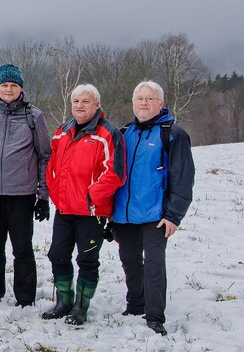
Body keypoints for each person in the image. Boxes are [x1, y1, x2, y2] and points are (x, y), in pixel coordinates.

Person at [112, 81, 195, 336]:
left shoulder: (172, 134)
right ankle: (135, 304)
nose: (144, 103)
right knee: (129, 261)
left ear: (161, 103)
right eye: (139, 99)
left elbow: (183, 178)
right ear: (133, 103)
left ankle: (155, 315)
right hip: (125, 214)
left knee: (155, 264)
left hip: (156, 216)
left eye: (150, 99)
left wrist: (173, 216)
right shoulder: (124, 132)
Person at [0, 64, 51, 312]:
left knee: (22, 247)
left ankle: (25, 297)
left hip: (22, 194)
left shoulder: (33, 116)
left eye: (14, 85)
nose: (9, 89)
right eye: (4, 85)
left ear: (21, 88)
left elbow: (44, 156)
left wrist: (43, 196)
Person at [43, 84, 126, 325]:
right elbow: (52, 166)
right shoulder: (62, 131)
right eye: (76, 101)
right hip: (64, 208)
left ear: (97, 105)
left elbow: (115, 173)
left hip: (91, 212)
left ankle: (81, 306)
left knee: (87, 259)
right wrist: (55, 192)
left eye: (85, 101)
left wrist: (92, 196)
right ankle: (64, 301)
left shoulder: (107, 134)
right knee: (57, 254)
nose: (79, 105)